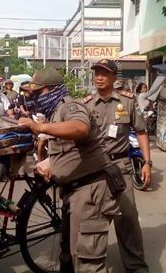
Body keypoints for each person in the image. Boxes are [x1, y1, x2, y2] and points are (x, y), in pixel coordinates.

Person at [18, 68, 122, 272]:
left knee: (87, 262)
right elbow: (69, 148)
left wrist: (39, 128)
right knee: (68, 256)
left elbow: (80, 129)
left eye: (39, 93)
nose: (35, 98)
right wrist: (51, 162)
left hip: (91, 191)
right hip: (74, 191)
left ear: (54, 91)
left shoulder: (70, 106)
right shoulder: (55, 112)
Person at [83, 59, 151, 273]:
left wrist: (147, 163)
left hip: (120, 166)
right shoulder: (86, 104)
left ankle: (136, 266)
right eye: (96, 73)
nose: (99, 77)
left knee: (127, 218)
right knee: (92, 219)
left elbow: (141, 132)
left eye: (104, 73)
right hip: (93, 168)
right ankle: (91, 266)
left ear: (114, 78)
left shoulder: (128, 102)